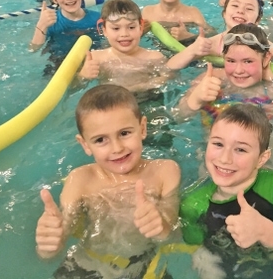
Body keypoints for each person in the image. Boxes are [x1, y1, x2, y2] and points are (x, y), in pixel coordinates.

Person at [35, 84, 181, 278]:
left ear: (143, 128)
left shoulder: (165, 172)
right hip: (87, 264)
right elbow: (65, 228)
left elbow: (170, 232)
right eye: (100, 140)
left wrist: (160, 225)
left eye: (124, 133)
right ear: (85, 144)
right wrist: (50, 244)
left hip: (144, 267)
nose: (117, 148)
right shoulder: (80, 180)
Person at [179, 104, 273, 279]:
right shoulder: (193, 205)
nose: (225, 158)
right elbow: (198, 254)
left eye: (240, 149)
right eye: (218, 144)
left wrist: (268, 234)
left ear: (261, 159)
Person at [177, 23, 273, 176]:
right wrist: (196, 99)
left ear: (266, 59)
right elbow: (179, 116)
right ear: (223, 58)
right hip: (218, 162)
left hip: (266, 159)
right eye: (231, 61)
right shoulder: (210, 80)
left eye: (248, 61)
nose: (238, 70)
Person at [77, 0, 211, 98]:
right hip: (111, 106)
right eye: (116, 28)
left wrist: (139, 87)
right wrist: (83, 76)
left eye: (131, 27)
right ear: (104, 30)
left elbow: (169, 77)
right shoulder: (95, 58)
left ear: (141, 27)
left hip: (148, 100)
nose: (124, 34)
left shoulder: (154, 57)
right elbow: (73, 88)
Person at [28, 0, 101, 74]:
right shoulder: (51, 22)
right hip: (59, 64)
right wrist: (41, 25)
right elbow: (33, 49)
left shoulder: (97, 19)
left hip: (92, 63)